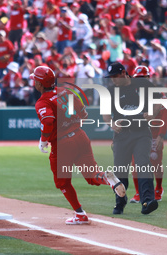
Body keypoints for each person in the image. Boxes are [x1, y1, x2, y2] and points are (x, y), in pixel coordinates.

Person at [31, 66, 126, 225]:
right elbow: (84, 112)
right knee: (92, 175)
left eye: (35, 79)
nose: (33, 82)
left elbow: (47, 121)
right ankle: (106, 178)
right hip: (80, 136)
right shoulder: (66, 91)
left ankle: (80, 214)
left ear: (40, 84)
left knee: (62, 182)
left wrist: (43, 140)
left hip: (63, 144)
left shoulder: (43, 102)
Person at [103, 62, 162, 215]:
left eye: (115, 76)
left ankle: (147, 201)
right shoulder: (110, 91)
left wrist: (153, 114)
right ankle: (120, 202)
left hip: (141, 132)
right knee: (120, 169)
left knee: (143, 164)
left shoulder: (143, 84)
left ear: (124, 73)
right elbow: (105, 114)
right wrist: (112, 124)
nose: (113, 80)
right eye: (111, 77)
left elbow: (158, 101)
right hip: (122, 135)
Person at [129, 66, 167, 203]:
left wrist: (161, 136)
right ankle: (139, 193)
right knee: (135, 164)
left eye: (142, 78)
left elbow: (165, 115)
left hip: (154, 133)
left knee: (155, 161)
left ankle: (158, 188)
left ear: (148, 78)